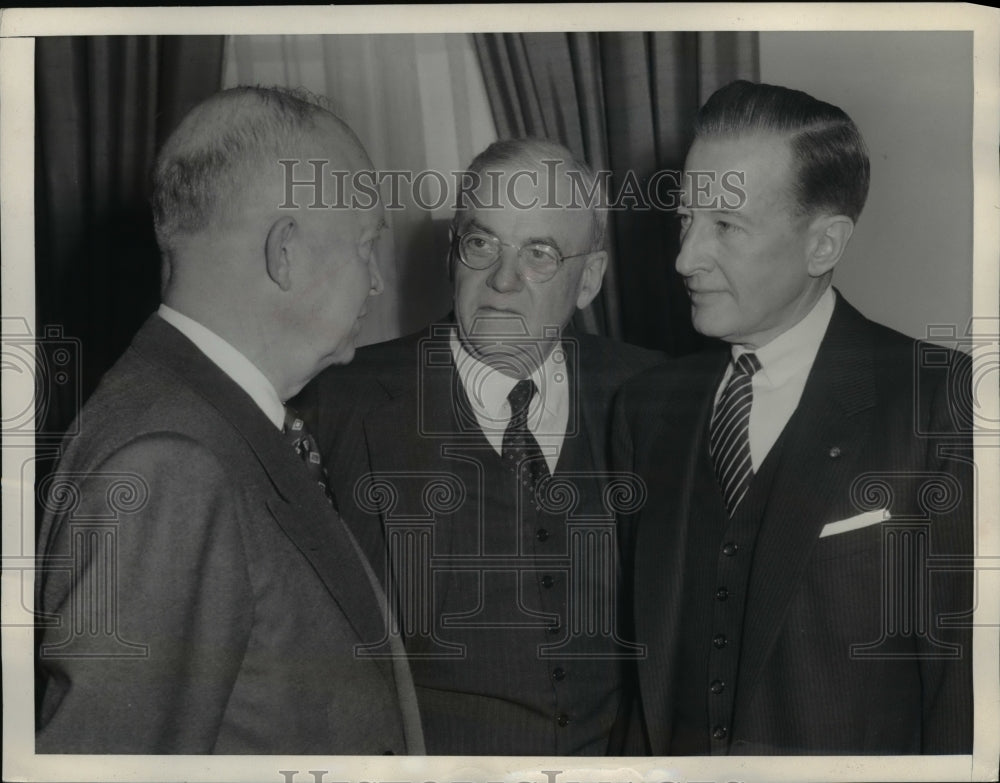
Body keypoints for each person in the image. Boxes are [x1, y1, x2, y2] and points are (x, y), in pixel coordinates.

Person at [34, 86, 424, 755]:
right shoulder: (171, 462)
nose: (376, 282)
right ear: (286, 252)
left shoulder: (207, 417)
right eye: (366, 246)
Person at [614, 80, 973, 755]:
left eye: (725, 226)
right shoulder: (645, 407)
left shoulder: (942, 401)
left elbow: (965, 695)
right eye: (685, 219)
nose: (685, 258)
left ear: (823, 244)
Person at [295, 138, 664, 755]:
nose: (502, 280)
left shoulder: (656, 397)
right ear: (452, 255)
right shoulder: (338, 406)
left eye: (540, 253)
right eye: (481, 243)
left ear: (589, 279)